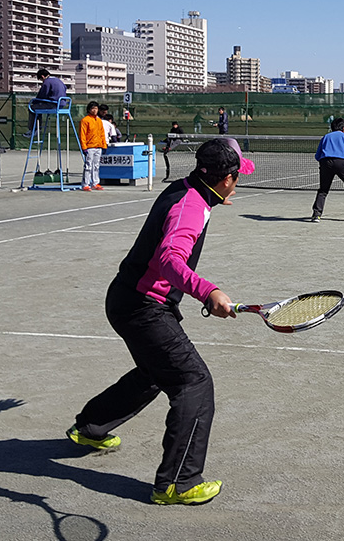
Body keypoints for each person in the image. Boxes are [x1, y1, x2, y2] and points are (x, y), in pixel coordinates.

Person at [66, 138, 254, 506]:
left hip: (125, 298)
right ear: (226, 179)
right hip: (143, 307)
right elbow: (170, 259)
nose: (237, 182)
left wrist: (214, 198)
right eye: (236, 177)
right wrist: (208, 291)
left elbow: (188, 208)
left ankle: (90, 428)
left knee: (156, 372)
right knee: (193, 382)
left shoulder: (187, 188)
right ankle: (177, 483)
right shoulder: (191, 208)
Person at [310, 117, 344, 221]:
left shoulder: (325, 137)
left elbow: (317, 155)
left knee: (323, 190)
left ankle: (316, 214)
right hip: (341, 163)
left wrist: (324, 163)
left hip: (325, 162)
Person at [24, 69, 68, 138]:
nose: (42, 81)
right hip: (62, 103)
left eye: (41, 80)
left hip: (53, 104)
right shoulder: (58, 80)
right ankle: (37, 128)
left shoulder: (47, 82)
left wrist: (35, 101)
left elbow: (42, 95)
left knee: (32, 108)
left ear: (42, 76)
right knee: (38, 108)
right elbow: (65, 88)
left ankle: (33, 129)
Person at [78, 101, 108, 191]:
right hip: (89, 147)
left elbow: (102, 134)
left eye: (96, 108)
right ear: (89, 110)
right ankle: (85, 184)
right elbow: (82, 135)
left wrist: (104, 145)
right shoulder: (85, 120)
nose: (95, 110)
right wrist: (84, 147)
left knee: (96, 166)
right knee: (88, 166)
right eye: (93, 108)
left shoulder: (99, 121)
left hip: (98, 146)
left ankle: (95, 183)